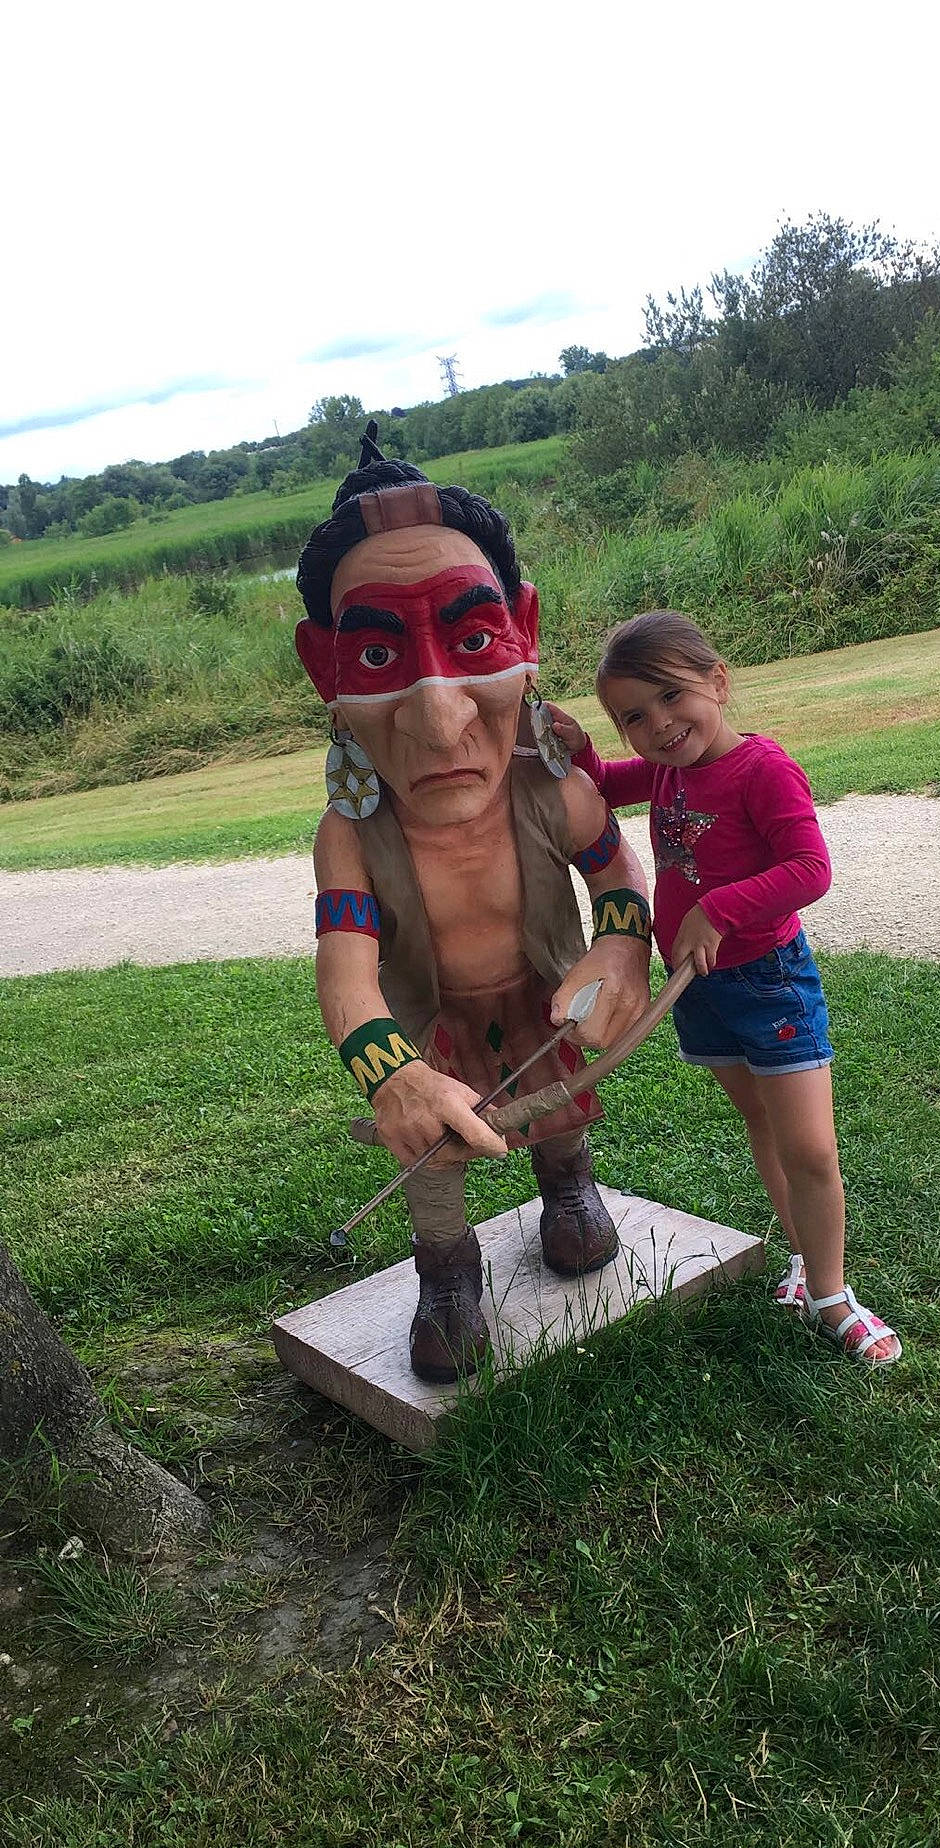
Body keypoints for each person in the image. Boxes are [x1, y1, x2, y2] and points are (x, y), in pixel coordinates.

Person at [294, 430, 654, 1383]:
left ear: (524, 632)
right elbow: (346, 971)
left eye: (473, 639)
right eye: (376, 653)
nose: (442, 717)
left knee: (558, 1106)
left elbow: (615, 878)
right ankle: (447, 1272)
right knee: (435, 1159)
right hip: (430, 1023)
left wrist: (619, 953)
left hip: (541, 992)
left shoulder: (556, 786)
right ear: (324, 671)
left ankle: (568, 1186)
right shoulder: (352, 837)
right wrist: (394, 1078)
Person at [549, 609, 901, 1364]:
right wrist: (580, 749)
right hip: (697, 989)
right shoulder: (672, 771)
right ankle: (808, 1265)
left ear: (717, 679)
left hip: (767, 984)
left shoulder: (762, 768)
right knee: (764, 1126)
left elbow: (811, 869)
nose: (661, 726)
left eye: (673, 697)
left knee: (810, 1148)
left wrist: (717, 908)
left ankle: (833, 1297)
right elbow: (606, 786)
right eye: (633, 717)